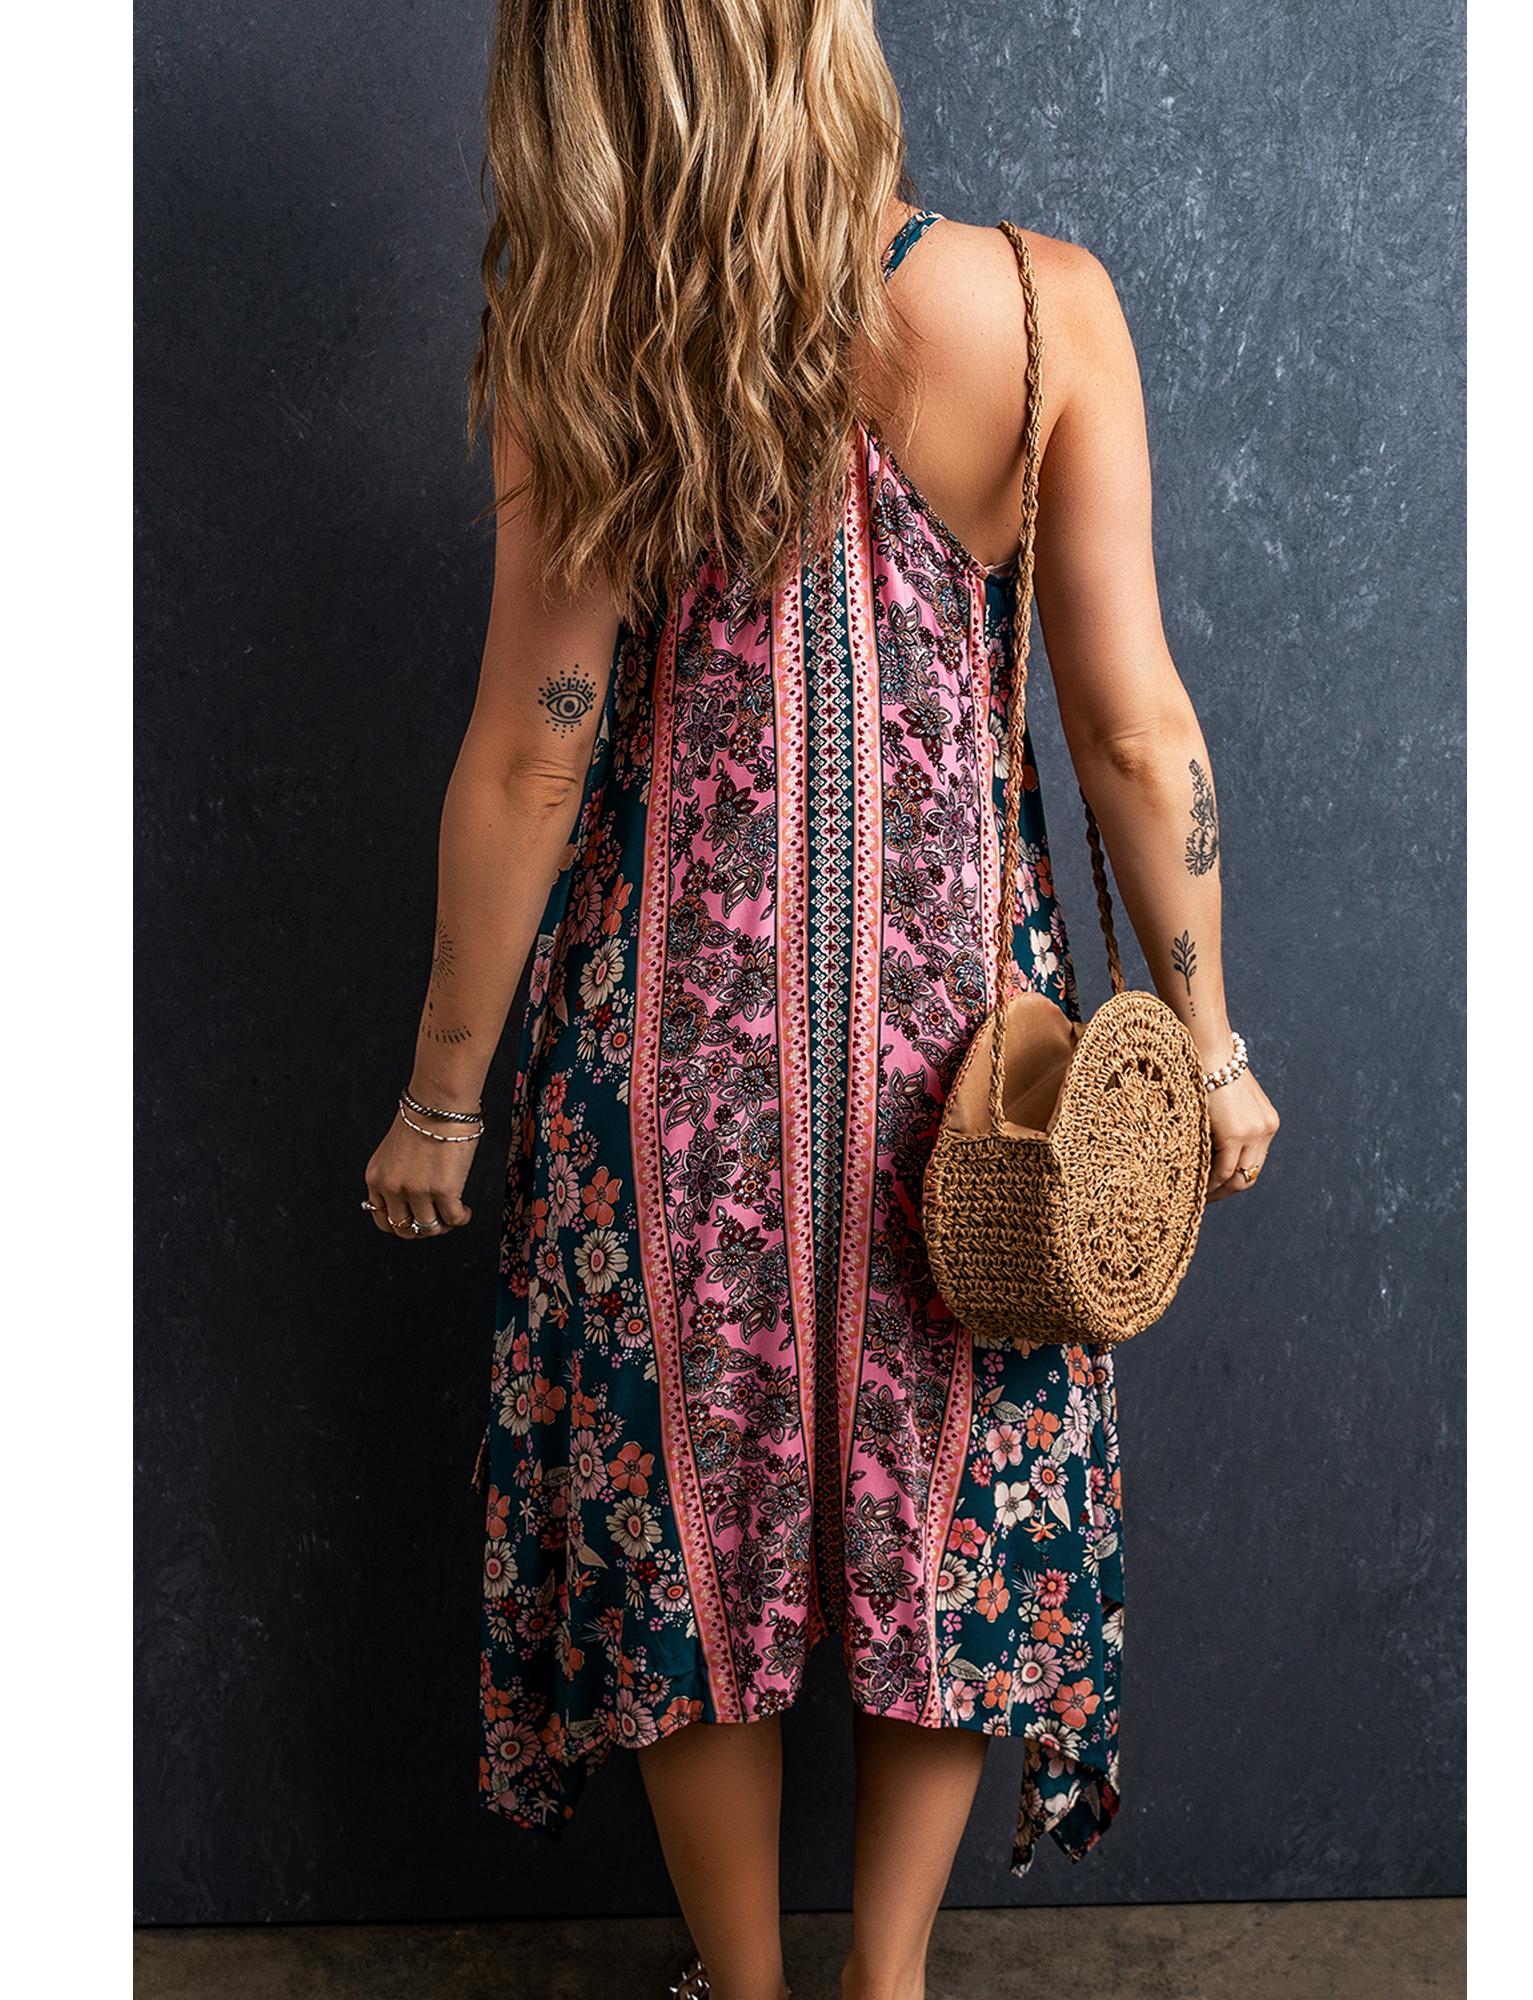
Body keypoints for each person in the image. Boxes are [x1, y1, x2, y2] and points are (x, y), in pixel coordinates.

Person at [361, 5, 1281, 1996]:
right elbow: (1133, 729)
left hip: (670, 1057)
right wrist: (1206, 1047)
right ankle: (886, 1977)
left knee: (690, 1513)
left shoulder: (598, 344)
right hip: (977, 1081)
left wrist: (443, 1093)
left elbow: (531, 752)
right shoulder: (1038, 308)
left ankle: (743, 1984)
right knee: (945, 1503)